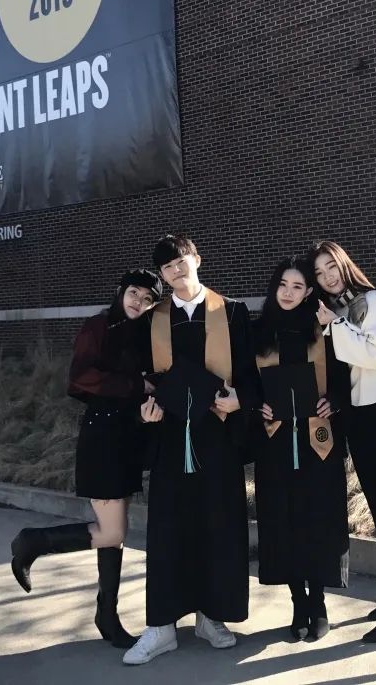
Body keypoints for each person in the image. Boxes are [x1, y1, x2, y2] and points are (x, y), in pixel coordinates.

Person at [123, 235, 259, 666]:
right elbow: (140, 377)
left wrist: (240, 400)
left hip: (217, 437)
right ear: (162, 276)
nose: (176, 271)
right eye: (167, 268)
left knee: (218, 525)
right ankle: (161, 626)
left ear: (196, 259)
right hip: (170, 438)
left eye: (181, 261)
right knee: (168, 529)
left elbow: (252, 372)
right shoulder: (153, 319)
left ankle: (211, 616)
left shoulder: (232, 312)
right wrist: (143, 410)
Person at [8, 269, 162, 648]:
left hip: (129, 438)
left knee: (114, 533)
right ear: (120, 292)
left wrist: (146, 402)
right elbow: (80, 378)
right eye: (133, 293)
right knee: (113, 532)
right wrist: (136, 385)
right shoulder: (99, 326)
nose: (138, 302)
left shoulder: (144, 335)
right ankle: (33, 542)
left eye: (147, 299)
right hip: (103, 438)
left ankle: (107, 616)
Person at [309, 240, 376, 643]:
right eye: (319, 273)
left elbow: (372, 357)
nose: (327, 277)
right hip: (356, 418)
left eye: (331, 267)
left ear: (343, 264)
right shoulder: (334, 311)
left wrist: (334, 326)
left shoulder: (370, 300)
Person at [253, 256, 351, 642]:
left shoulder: (322, 328)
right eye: (283, 285)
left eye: (297, 286)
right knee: (284, 519)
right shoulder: (259, 331)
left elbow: (345, 373)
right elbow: (246, 381)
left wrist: (335, 401)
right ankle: (298, 602)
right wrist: (256, 405)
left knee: (318, 518)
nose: (289, 293)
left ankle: (319, 602)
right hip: (276, 441)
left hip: (319, 441)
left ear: (309, 290)